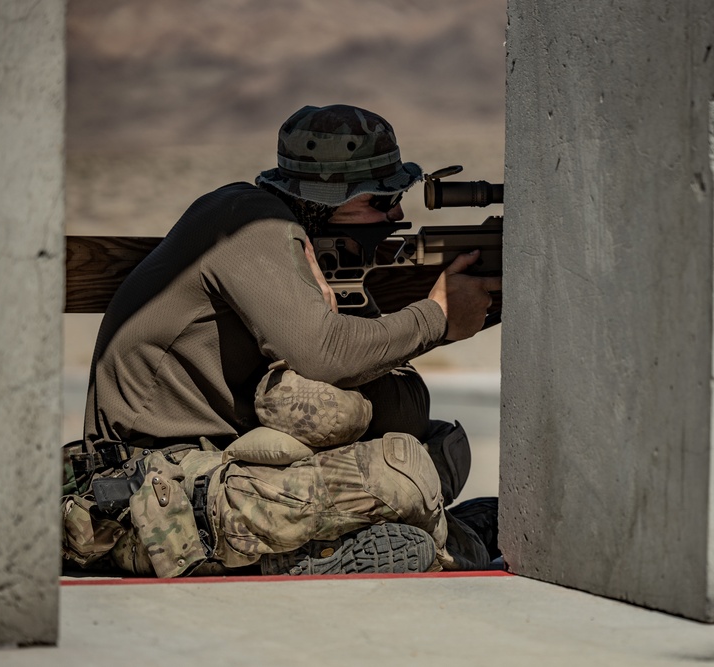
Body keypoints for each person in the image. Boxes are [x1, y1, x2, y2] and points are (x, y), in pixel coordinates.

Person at [62, 104, 500, 577]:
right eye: (378, 201)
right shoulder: (250, 221)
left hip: (217, 474)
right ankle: (315, 558)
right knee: (399, 476)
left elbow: (401, 412)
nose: (395, 216)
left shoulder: (313, 259)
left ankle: (427, 539)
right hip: (145, 491)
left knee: (429, 451)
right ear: (324, 199)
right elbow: (325, 353)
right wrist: (436, 317)